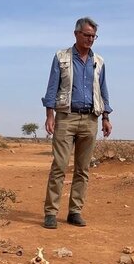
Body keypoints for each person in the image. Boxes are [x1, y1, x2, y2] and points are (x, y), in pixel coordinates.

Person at [41, 17, 112, 228]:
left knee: (83, 169)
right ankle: (51, 213)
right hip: (66, 117)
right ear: (76, 34)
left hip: (91, 118)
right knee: (59, 166)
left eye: (93, 36)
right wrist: (50, 115)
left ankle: (75, 211)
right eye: (87, 35)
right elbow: (52, 87)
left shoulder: (98, 61)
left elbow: (103, 89)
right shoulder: (61, 57)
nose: (90, 39)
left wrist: (106, 117)